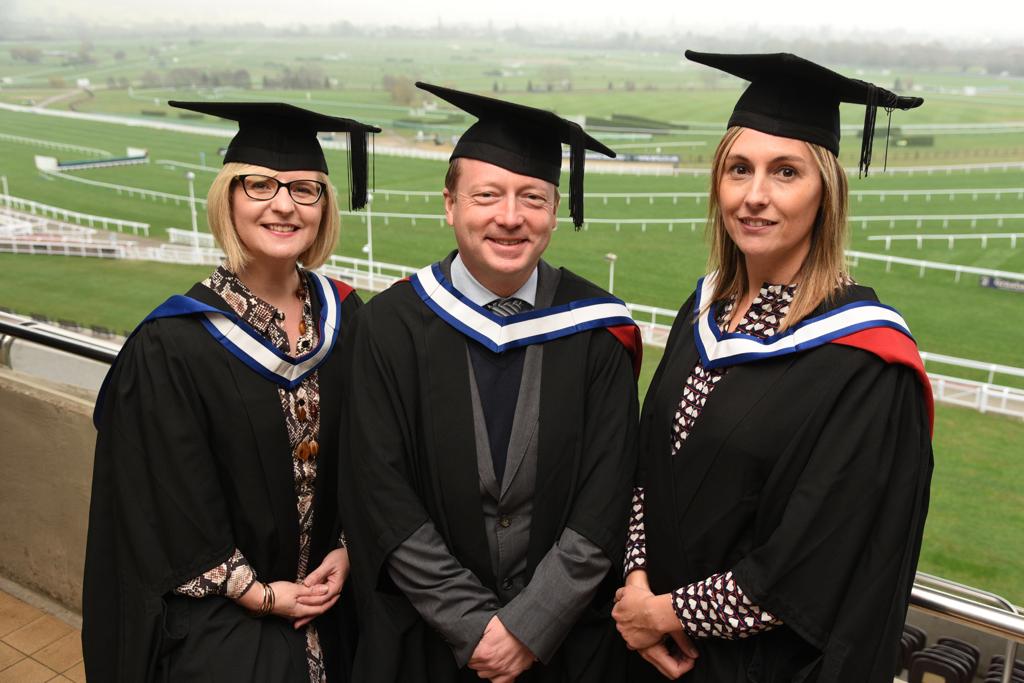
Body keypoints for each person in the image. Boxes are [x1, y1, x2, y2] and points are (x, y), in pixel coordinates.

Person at [612, 51, 935, 683]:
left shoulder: (864, 362)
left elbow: (815, 558)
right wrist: (635, 581)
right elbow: (649, 471)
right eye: (739, 169)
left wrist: (666, 613)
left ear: (826, 192)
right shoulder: (702, 311)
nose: (754, 196)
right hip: (645, 653)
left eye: (785, 172)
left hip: (761, 669)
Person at [339, 82, 643, 683]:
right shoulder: (390, 324)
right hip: (427, 643)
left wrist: (531, 626)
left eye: (532, 197)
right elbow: (380, 489)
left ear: (556, 210)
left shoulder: (597, 331)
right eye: (487, 195)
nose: (511, 217)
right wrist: (472, 625)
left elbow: (606, 498)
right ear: (449, 204)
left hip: (565, 647)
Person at [82, 101, 379, 682]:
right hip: (223, 629)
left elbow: (375, 458)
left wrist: (348, 549)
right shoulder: (174, 343)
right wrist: (263, 595)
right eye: (260, 185)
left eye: (305, 189)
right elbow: (164, 501)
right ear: (228, 199)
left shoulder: (348, 319)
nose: (284, 204)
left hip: (343, 610)